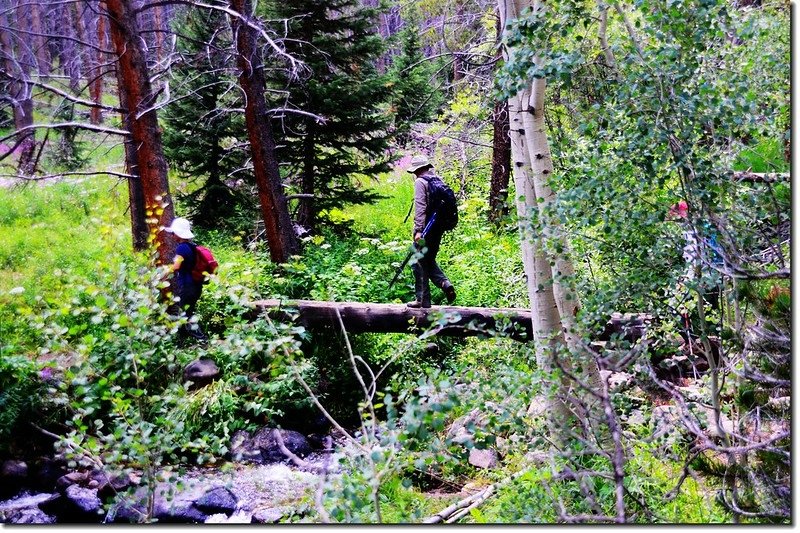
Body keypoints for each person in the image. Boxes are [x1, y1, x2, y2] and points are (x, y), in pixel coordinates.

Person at [406, 155, 456, 308]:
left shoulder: (421, 182)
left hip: (426, 229)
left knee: (417, 261)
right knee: (427, 259)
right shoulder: (437, 180)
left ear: (418, 169)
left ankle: (422, 301)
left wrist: (418, 231)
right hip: (438, 228)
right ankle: (445, 284)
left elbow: (420, 208)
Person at [165, 217, 207, 341]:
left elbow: (176, 266)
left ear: (178, 233)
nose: (172, 236)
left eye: (173, 233)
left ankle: (202, 340)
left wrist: (163, 272)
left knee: (185, 315)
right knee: (185, 312)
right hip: (195, 286)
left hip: (189, 287)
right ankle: (181, 341)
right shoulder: (192, 246)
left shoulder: (181, 248)